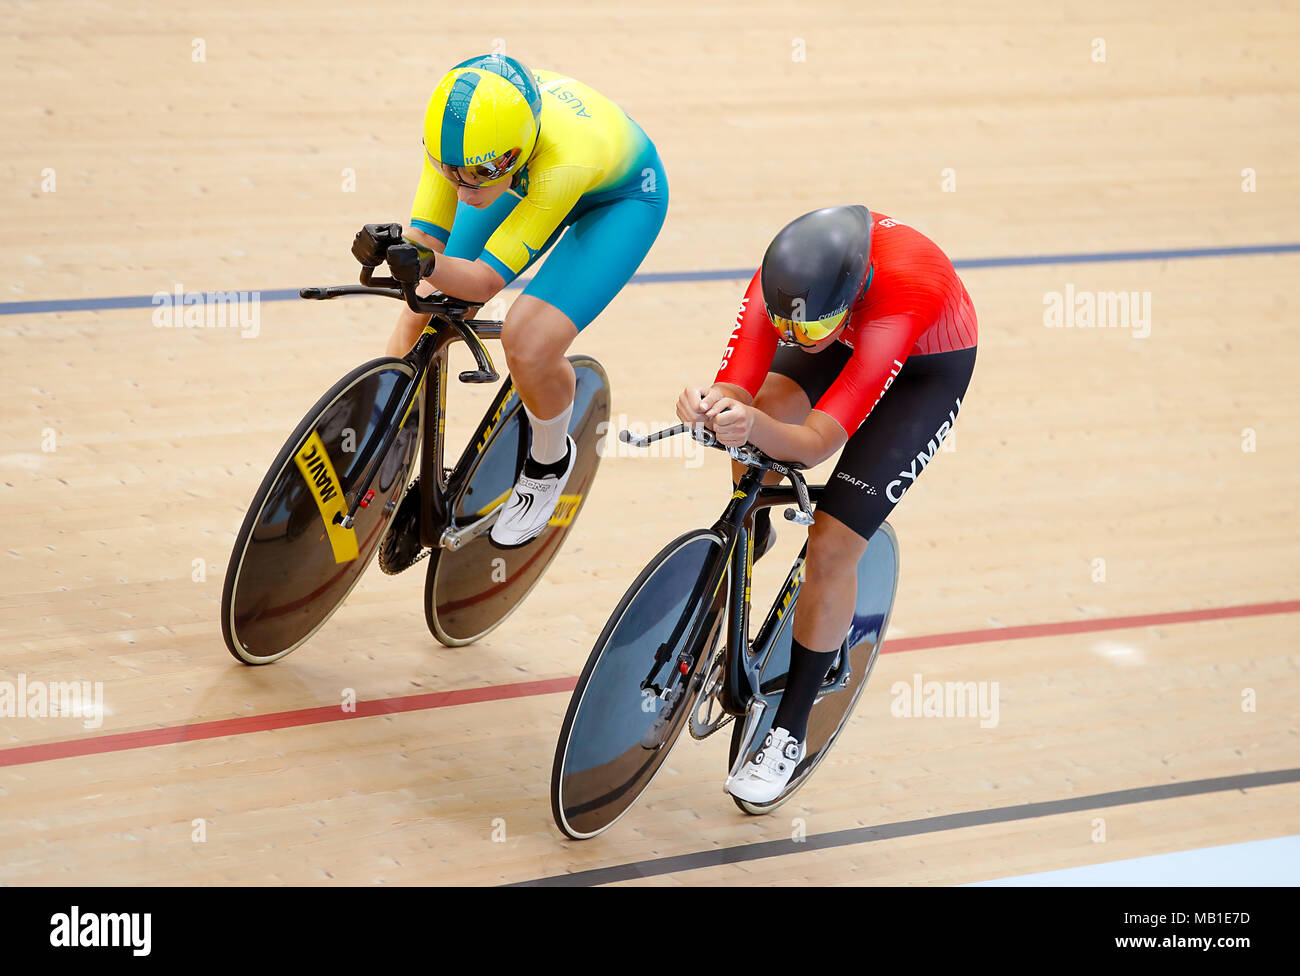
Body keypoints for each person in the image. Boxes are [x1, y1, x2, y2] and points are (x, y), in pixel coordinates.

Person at [676, 205, 978, 804]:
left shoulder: (904, 294)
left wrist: (753, 424)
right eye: (792, 328)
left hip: (923, 372)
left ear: (853, 291)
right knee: (762, 408)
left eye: (807, 333)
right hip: (840, 328)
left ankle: (789, 729)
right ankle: (751, 531)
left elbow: (815, 445)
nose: (797, 342)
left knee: (833, 544)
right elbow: (738, 380)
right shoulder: (784, 279)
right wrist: (711, 405)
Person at [352, 54, 668, 547]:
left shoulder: (560, 161)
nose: (459, 188)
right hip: (526, 171)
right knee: (424, 304)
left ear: (510, 157)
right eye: (446, 171)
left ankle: (548, 463)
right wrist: (402, 251)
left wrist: (428, 263)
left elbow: (480, 282)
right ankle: (378, 427)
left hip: (619, 199)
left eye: (472, 175)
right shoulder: (459, 141)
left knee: (529, 340)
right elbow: (426, 244)